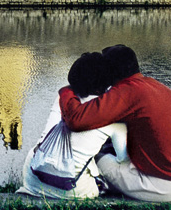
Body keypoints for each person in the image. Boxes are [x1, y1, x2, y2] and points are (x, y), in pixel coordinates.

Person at [58, 44, 171, 202]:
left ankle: (82, 191)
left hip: (162, 187)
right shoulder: (155, 86)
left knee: (96, 156)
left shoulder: (127, 92)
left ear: (111, 72)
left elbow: (76, 120)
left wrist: (67, 91)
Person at [18, 52, 127, 199]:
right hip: (73, 190)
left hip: (33, 178)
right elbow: (123, 158)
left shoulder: (62, 98)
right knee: (104, 161)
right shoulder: (111, 113)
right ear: (106, 82)